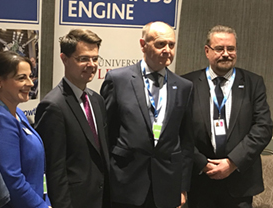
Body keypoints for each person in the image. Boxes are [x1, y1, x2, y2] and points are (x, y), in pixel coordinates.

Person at [100, 21, 193, 208]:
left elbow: (186, 140)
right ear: (143, 45)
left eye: (171, 45)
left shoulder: (184, 87)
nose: (167, 50)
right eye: (161, 44)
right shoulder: (118, 80)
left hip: (166, 185)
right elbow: (105, 134)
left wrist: (182, 186)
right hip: (126, 183)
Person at [182, 25, 273, 208]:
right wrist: (201, 163)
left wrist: (232, 162)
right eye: (219, 48)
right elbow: (179, 131)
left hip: (239, 182)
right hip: (199, 180)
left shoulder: (253, 83)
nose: (226, 54)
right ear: (207, 51)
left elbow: (263, 127)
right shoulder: (187, 84)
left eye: (230, 48)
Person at [35, 29, 110, 208]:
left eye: (95, 58)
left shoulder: (96, 100)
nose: (91, 64)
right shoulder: (53, 106)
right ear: (64, 59)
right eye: (83, 58)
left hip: (101, 199)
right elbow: (55, 170)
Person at [0, 51, 51, 208]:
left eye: (30, 76)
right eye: (21, 78)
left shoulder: (16, 112)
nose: (31, 83)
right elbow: (12, 181)